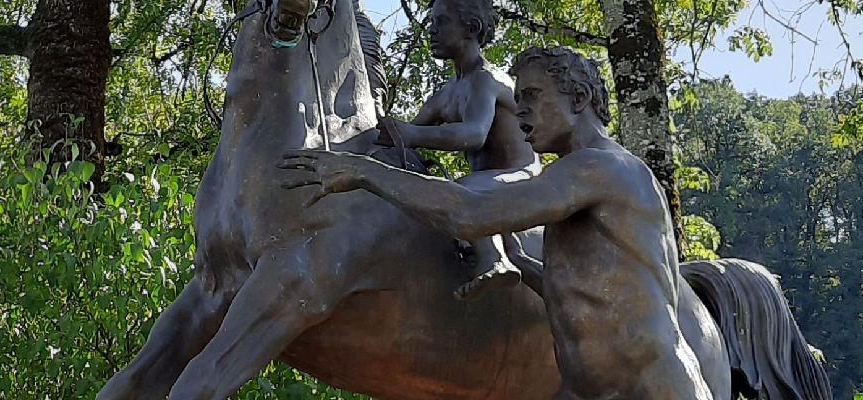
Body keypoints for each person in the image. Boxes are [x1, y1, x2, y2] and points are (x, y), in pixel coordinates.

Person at [279, 47, 728, 399]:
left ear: (579, 98)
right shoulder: (577, 181)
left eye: (532, 96)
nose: (521, 111)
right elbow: (584, 289)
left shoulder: (601, 168)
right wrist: (519, 261)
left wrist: (363, 172)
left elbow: (466, 214)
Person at [375, 0, 539, 300]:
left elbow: (473, 134)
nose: (431, 31)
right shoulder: (445, 94)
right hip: (488, 181)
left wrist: (411, 134)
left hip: (521, 175)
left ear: (471, 28)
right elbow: (404, 138)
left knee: (462, 190)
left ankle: (496, 260)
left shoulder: (487, 80)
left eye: (440, 22)